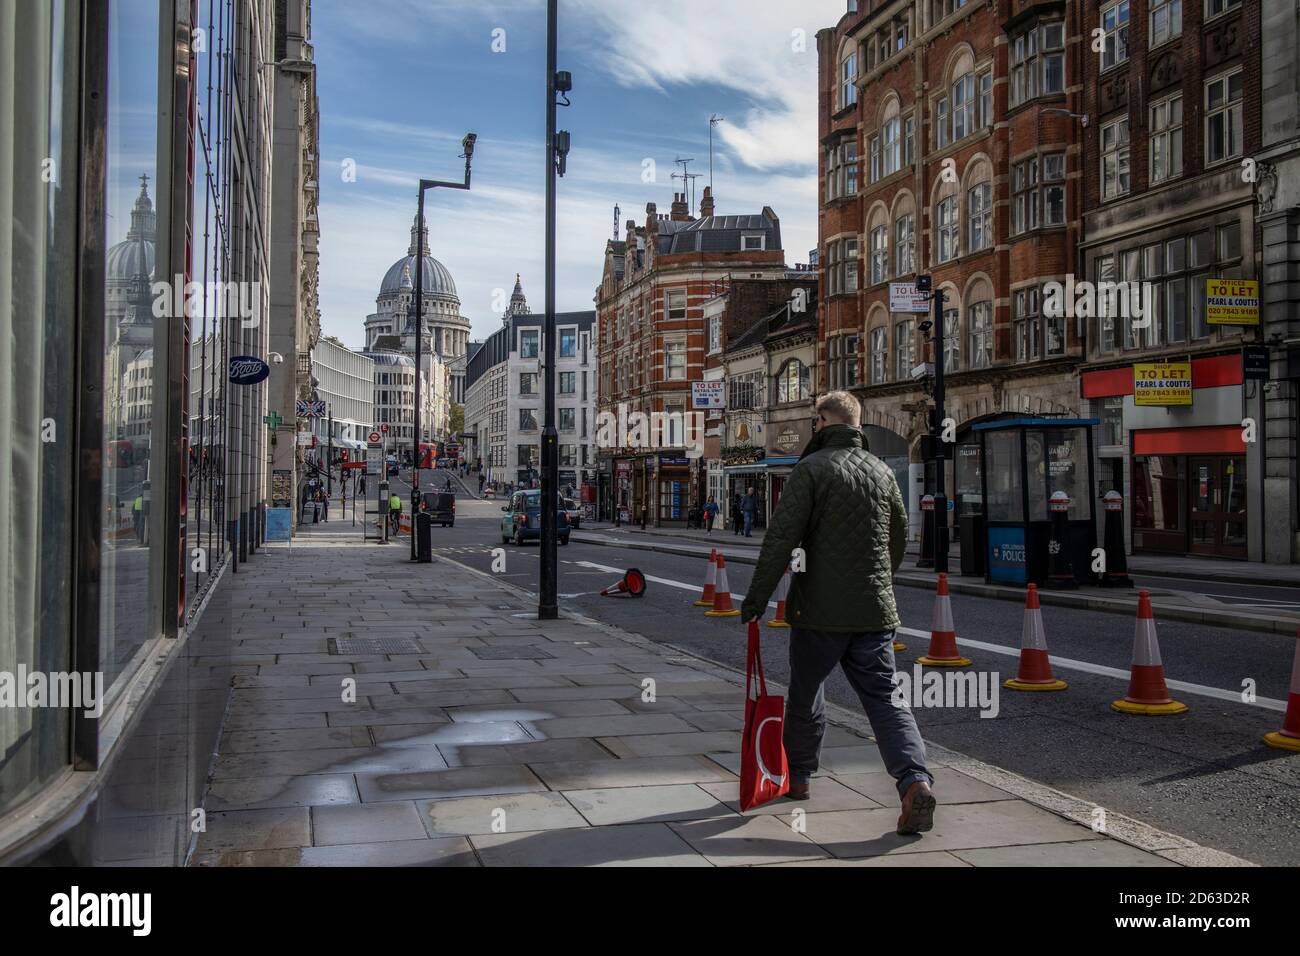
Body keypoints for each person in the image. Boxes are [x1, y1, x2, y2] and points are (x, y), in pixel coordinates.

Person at [739, 390, 935, 836]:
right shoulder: (883, 472)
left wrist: (755, 601)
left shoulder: (810, 470)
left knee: (806, 693)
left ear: (824, 422)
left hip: (818, 613)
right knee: (887, 699)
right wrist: (879, 582)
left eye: (816, 420)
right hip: (873, 612)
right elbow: (899, 539)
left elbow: (780, 541)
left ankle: (802, 777)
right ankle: (914, 782)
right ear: (859, 426)